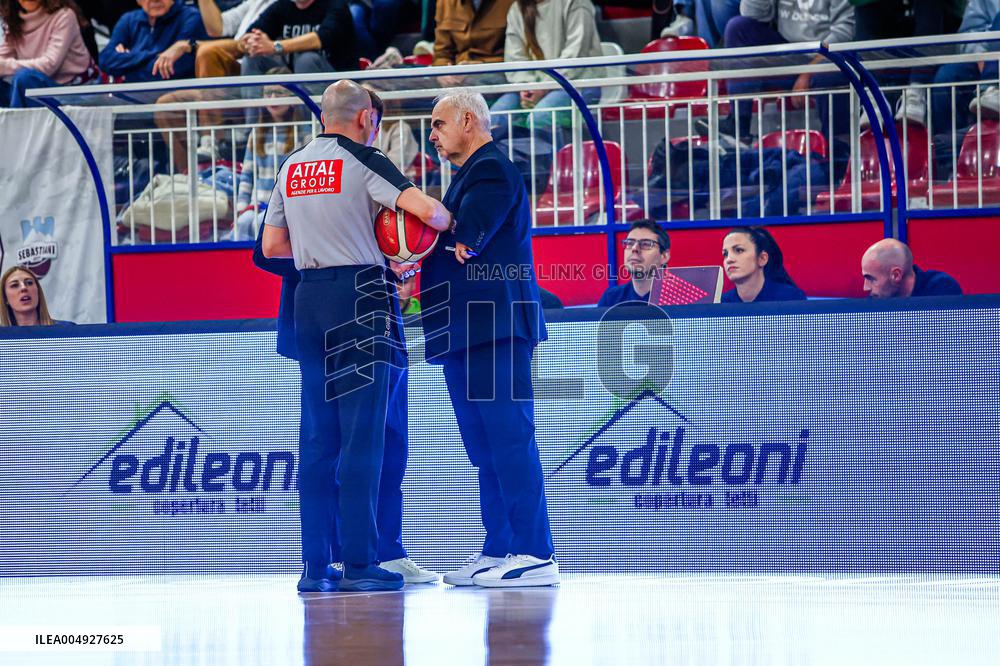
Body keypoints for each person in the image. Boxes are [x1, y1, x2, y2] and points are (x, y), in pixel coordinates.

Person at [261, 79, 451, 592]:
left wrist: (324, 233)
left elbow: (273, 245)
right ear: (367, 117)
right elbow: (429, 212)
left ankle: (313, 565)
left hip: (309, 301)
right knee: (364, 437)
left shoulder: (291, 165)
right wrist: (423, 232)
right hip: (362, 296)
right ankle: (362, 563)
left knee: (319, 437)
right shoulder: (367, 159)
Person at [422, 90, 559, 588]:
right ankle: (499, 547)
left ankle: (535, 552)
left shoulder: (492, 169)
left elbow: (466, 238)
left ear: (467, 119)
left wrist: (414, 220)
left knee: (509, 439)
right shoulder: (465, 177)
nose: (432, 136)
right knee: (484, 447)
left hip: (495, 326)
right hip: (467, 329)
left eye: (438, 124)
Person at [722, 0, 854, 166]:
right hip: (787, 51)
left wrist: (808, 71)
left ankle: (837, 155)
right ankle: (738, 129)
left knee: (829, 73)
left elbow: (844, 32)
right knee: (737, 27)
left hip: (826, 56)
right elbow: (752, 14)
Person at [489, 0, 604, 131]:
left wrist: (544, 87)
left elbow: (576, 54)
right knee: (495, 117)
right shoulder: (517, 9)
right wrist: (528, 86)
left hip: (577, 83)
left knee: (540, 117)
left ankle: (550, 152)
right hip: (533, 86)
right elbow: (514, 57)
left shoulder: (576, 3)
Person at [229, 69, 308, 240]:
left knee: (260, 223)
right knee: (243, 222)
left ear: (293, 98)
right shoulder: (256, 133)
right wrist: (241, 208)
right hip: (257, 204)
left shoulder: (304, 134)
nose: (273, 98)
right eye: (268, 93)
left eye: (279, 93)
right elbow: (247, 176)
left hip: (287, 207)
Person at [0, 0, 100, 108]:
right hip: (39, 85)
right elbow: (4, 56)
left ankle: (17, 123)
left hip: (73, 92)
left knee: (24, 79)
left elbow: (50, 65)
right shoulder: (13, 19)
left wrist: (4, 66)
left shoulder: (64, 15)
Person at [240, 0, 358, 77]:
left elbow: (319, 39)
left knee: (306, 60)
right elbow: (246, 37)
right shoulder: (281, 6)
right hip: (292, 78)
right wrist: (252, 43)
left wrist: (274, 47)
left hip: (337, 80)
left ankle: (316, 115)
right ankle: (252, 115)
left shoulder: (336, 5)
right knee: (252, 60)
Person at [98, 0, 207, 82]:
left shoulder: (191, 16)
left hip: (175, 95)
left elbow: (177, 67)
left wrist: (125, 70)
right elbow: (105, 60)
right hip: (132, 97)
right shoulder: (128, 19)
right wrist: (157, 55)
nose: (155, 0)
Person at [720, 226, 806, 303]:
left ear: (762, 258)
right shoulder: (721, 303)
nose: (729, 259)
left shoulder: (791, 298)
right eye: (725, 254)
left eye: (739, 250)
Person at [597, 219, 671, 307]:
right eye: (630, 243)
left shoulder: (680, 298)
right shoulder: (611, 299)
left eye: (646, 244)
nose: (634, 249)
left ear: (664, 256)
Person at [861, 238, 963, 298]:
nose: (865, 288)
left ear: (896, 275)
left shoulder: (942, 289)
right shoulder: (877, 299)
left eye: (871, 279)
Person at [1, 265, 72, 326]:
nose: (24, 288)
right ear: (5, 298)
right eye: (15, 285)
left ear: (38, 291)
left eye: (29, 283)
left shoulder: (67, 329)